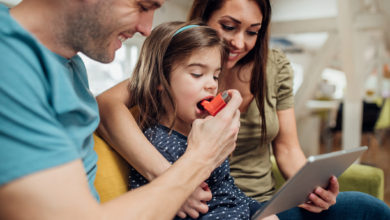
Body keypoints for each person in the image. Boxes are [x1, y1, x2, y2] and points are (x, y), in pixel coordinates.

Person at [97, 0, 390, 219]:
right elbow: (107, 104)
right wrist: (172, 180)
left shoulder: (273, 67)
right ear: (203, 19)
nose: (239, 42)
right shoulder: (170, 65)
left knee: (367, 209)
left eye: (252, 32)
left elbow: (284, 150)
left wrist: (309, 188)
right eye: (228, 26)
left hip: (257, 204)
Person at [0, 0, 244, 219]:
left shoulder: (70, 64)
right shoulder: (9, 63)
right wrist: (202, 157)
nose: (146, 29)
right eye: (142, 6)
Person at [125, 20, 276, 220]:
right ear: (160, 80)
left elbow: (228, 191)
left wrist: (259, 211)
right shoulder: (158, 146)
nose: (212, 86)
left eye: (215, 76)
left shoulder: (206, 135)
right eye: (197, 74)